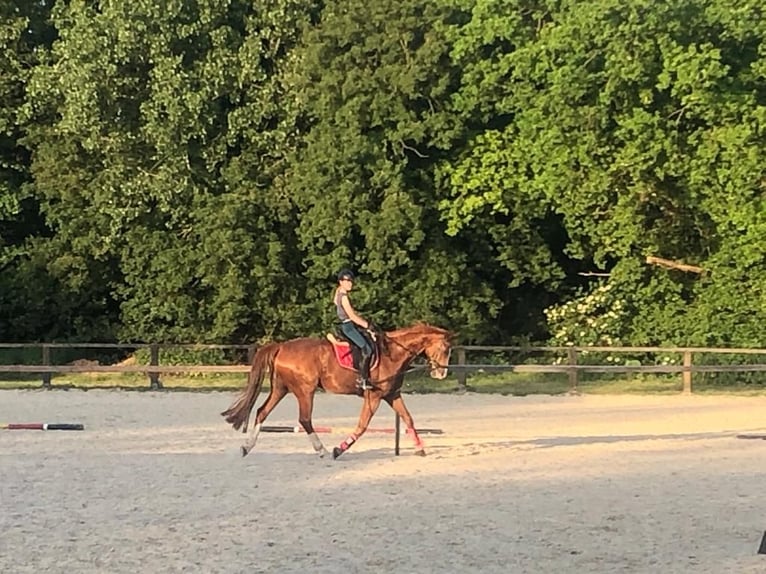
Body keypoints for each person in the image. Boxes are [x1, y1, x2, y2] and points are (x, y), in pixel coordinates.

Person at [334, 269, 374, 390]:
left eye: (351, 281)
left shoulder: (338, 293)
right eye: (347, 281)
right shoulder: (344, 297)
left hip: (347, 325)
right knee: (367, 349)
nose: (350, 283)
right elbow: (352, 316)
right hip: (349, 327)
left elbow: (335, 302)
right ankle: (363, 379)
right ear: (341, 282)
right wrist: (368, 326)